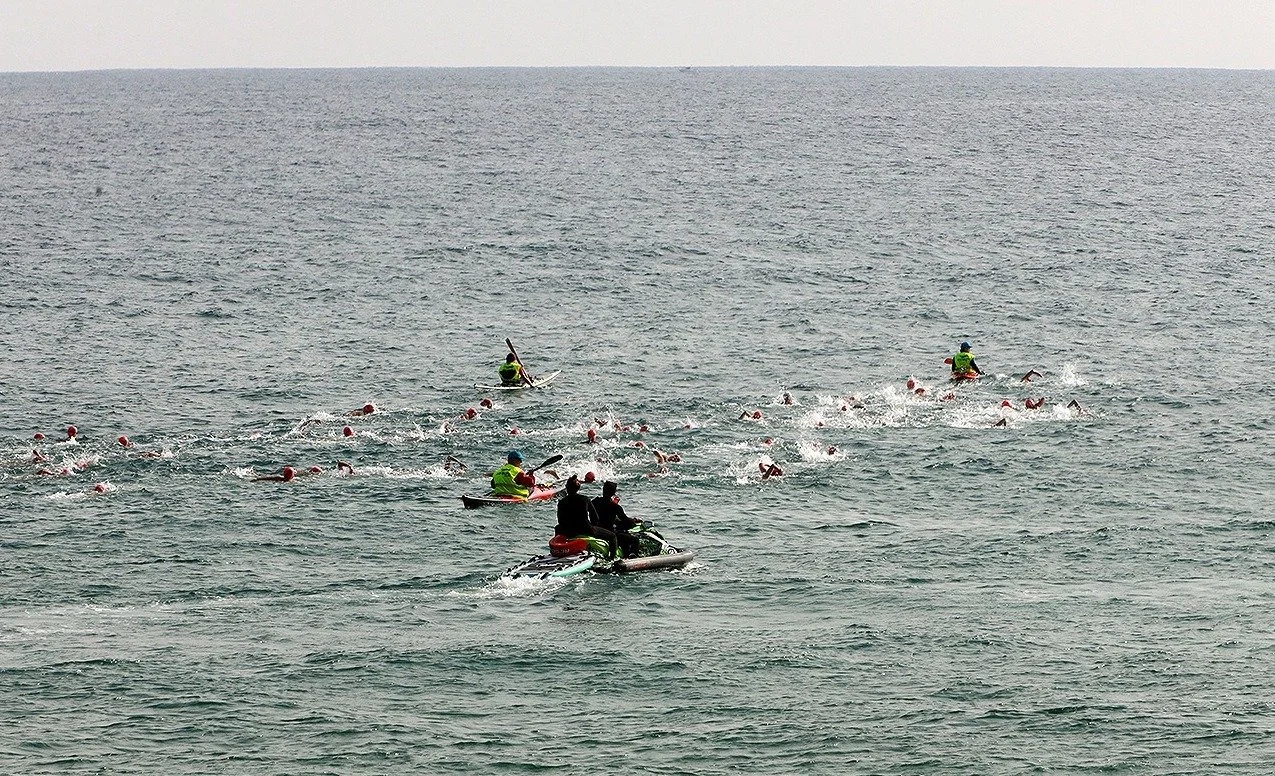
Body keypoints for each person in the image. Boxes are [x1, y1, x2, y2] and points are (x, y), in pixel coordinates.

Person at [555, 475, 618, 555]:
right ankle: (612, 559)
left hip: (567, 531)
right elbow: (595, 517)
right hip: (584, 529)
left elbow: (560, 519)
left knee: (557, 527)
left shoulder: (561, 502)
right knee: (612, 536)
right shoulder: (584, 499)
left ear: (567, 488)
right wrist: (594, 527)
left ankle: (557, 550)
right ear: (578, 488)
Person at [591, 480, 642, 558]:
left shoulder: (594, 502)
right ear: (614, 492)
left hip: (596, 531)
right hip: (609, 532)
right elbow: (625, 520)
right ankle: (633, 556)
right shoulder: (615, 507)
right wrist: (634, 520)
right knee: (635, 540)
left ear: (603, 489)